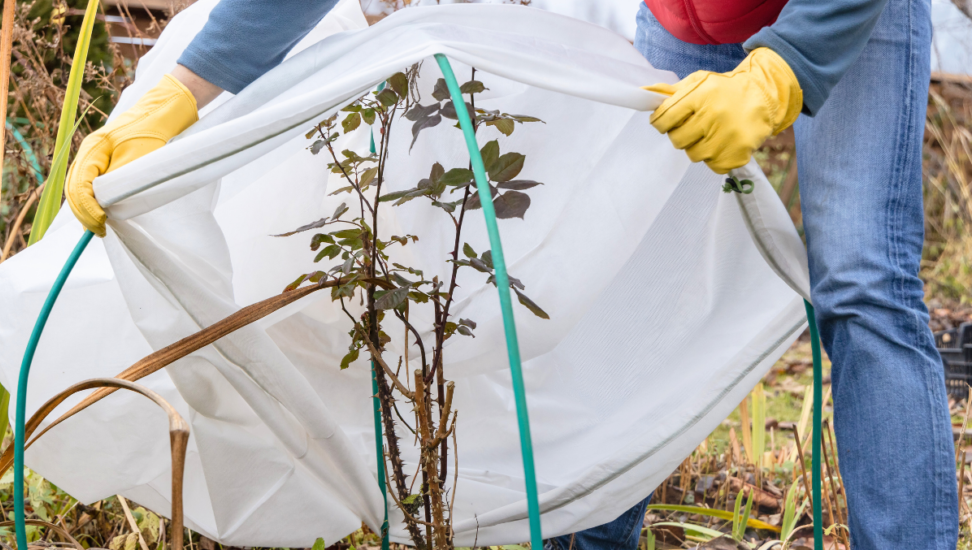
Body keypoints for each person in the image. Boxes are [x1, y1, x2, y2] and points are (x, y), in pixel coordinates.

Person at [63, 0, 958, 549]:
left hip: (844, 11)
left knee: (860, 284)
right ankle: (595, 539)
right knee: (629, 278)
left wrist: (782, 72)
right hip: (684, 19)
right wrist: (179, 91)